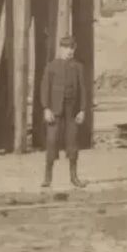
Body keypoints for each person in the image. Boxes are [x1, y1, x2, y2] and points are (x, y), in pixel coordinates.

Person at [38, 33, 89, 191]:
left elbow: (83, 90)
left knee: (72, 143)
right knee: (52, 140)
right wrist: (46, 108)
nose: (69, 51)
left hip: (72, 111)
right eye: (66, 48)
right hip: (55, 110)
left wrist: (82, 110)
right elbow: (44, 88)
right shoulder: (51, 66)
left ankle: (74, 177)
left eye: (72, 48)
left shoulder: (78, 67)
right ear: (60, 48)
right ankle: (48, 177)